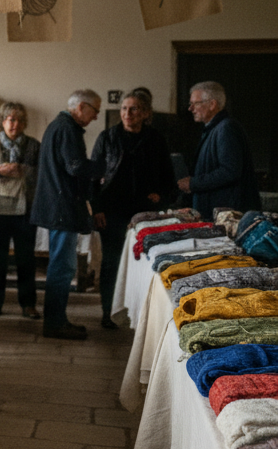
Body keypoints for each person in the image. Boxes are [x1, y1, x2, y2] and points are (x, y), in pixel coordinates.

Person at [90, 91, 175, 328]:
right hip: (112, 210)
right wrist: (96, 209)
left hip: (144, 212)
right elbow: (94, 177)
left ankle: (140, 314)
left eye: (134, 109)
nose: (128, 114)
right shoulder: (107, 137)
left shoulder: (156, 139)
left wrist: (162, 196)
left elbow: (168, 177)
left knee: (144, 263)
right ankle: (108, 312)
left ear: (146, 113)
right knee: (111, 264)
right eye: (124, 108)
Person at [29, 90, 105, 340]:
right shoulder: (66, 128)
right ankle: (55, 323)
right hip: (62, 207)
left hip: (58, 206)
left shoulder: (59, 126)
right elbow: (76, 166)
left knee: (62, 265)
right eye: (95, 111)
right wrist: (105, 167)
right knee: (62, 267)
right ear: (81, 107)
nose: (96, 117)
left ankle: (56, 320)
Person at [0, 102, 41, 320]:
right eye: (11, 119)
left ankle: (28, 304)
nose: (15, 124)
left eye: (20, 120)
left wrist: (24, 170)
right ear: (2, 121)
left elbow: (42, 174)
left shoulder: (33, 145)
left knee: (26, 259)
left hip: (25, 209)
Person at [178, 81, 260, 219]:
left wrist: (193, 183)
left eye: (195, 103)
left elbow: (230, 171)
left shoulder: (226, 128)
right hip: (220, 214)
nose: (190, 108)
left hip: (228, 216)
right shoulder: (215, 128)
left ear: (212, 104)